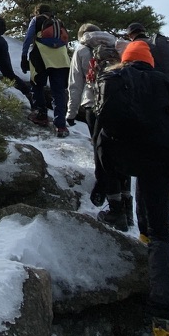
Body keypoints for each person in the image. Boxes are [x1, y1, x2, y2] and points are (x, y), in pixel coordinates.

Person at [94, 39, 169, 336]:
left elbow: (99, 127)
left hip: (119, 157)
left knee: (139, 182)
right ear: (149, 61)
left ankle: (142, 237)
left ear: (125, 59)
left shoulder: (111, 79)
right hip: (159, 157)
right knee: (162, 233)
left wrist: (102, 175)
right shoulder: (163, 82)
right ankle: (164, 319)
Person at [126, 23, 169, 181]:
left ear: (131, 35)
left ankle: (161, 166)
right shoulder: (157, 44)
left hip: (152, 94)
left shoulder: (138, 46)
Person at [66, 23, 122, 206]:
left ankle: (102, 185)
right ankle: (124, 196)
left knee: (99, 146)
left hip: (93, 103)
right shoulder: (116, 45)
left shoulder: (81, 49)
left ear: (81, 35)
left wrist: (71, 113)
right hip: (118, 102)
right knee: (118, 145)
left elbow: (75, 84)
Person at [21, 4, 72, 138]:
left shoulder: (36, 20)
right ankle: (60, 125)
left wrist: (24, 56)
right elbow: (65, 41)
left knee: (37, 85)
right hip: (61, 59)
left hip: (41, 57)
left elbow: (28, 39)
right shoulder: (59, 22)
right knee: (59, 91)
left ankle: (41, 115)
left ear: (37, 12)